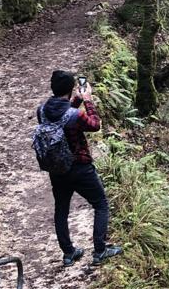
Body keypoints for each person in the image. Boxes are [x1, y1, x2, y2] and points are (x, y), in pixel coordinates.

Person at [38, 70, 122, 266]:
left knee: (61, 209)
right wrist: (88, 100)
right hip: (80, 167)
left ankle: (68, 253)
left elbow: (61, 121)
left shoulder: (41, 111)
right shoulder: (75, 115)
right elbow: (94, 125)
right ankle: (100, 251)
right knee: (100, 204)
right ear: (70, 89)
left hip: (57, 169)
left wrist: (75, 100)